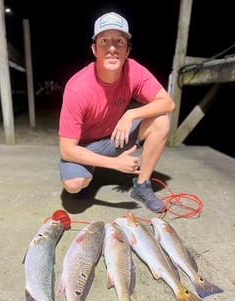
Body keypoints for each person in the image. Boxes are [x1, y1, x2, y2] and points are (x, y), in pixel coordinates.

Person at [58, 11, 175, 212]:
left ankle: (141, 185)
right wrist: (115, 164)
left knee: (161, 121)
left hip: (114, 136)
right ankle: (88, 170)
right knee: (75, 184)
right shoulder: (77, 87)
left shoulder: (134, 70)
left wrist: (131, 114)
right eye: (104, 41)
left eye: (119, 41)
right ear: (94, 49)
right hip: (84, 146)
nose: (112, 48)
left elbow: (167, 103)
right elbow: (67, 149)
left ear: (127, 50)